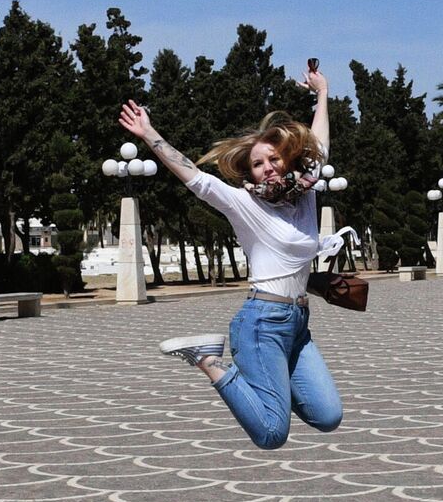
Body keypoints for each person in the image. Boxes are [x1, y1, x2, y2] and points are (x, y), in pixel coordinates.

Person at [118, 63, 343, 449]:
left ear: (287, 159)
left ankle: (263, 390)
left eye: (273, 159)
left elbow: (319, 146)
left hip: (297, 322)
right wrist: (149, 134)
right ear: (251, 174)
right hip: (261, 324)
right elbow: (196, 179)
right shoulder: (244, 204)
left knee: (328, 416)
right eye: (258, 164)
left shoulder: (306, 192)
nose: (268, 168)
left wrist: (322, 92)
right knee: (272, 433)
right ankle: (208, 359)